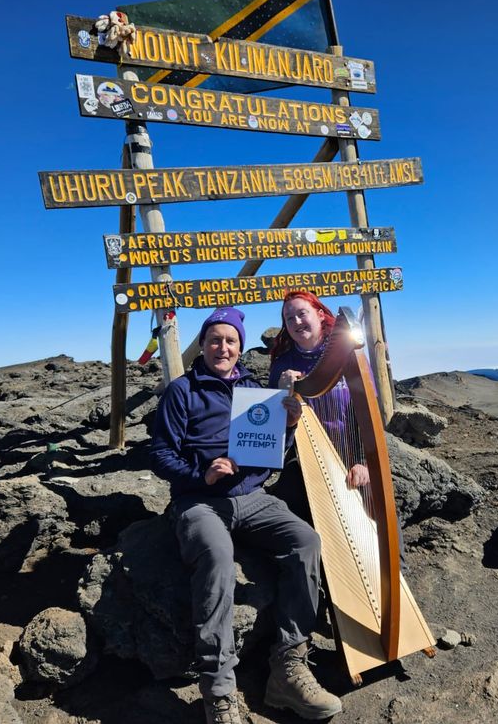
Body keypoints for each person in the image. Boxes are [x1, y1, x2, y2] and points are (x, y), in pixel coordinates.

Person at [151, 307, 342, 724]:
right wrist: (199, 473)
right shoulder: (181, 391)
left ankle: (288, 666)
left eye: (231, 340)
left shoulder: (255, 389)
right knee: (217, 559)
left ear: (240, 348)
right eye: (215, 339)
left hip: (252, 497)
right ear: (202, 345)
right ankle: (219, 691)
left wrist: (288, 427)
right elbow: (160, 454)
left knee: (306, 541)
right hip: (198, 501)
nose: (223, 347)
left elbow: (270, 454)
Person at [267, 291, 370, 522]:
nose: (296, 322)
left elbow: (368, 412)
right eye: (289, 318)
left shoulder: (347, 354)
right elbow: (273, 427)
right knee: (294, 501)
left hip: (351, 450)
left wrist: (363, 461)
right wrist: (283, 391)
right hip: (305, 455)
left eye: (302, 314)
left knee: (377, 511)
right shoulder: (282, 365)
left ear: (321, 315)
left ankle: (395, 559)